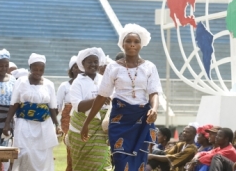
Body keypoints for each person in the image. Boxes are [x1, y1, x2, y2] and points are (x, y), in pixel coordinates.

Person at [81, 23, 161, 170]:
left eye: (136, 42)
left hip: (143, 118)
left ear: (141, 44)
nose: (132, 45)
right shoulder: (113, 68)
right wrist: (86, 123)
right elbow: (101, 96)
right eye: (128, 41)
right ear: (122, 44)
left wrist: (154, 109)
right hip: (120, 120)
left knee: (139, 162)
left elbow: (154, 92)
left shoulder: (149, 67)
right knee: (120, 160)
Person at [3, 53, 60, 171]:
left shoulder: (49, 84)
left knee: (43, 155)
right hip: (24, 123)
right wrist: (7, 123)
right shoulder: (21, 82)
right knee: (25, 152)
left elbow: (52, 107)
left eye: (41, 69)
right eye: (35, 69)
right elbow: (14, 104)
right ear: (30, 68)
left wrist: (57, 125)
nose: (38, 72)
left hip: (44, 125)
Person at [68, 48, 111, 171]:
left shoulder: (104, 80)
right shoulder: (77, 83)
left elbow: (111, 100)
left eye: (95, 61)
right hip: (80, 128)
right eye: (89, 62)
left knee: (102, 163)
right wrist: (99, 99)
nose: (93, 64)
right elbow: (79, 107)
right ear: (83, 64)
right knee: (82, 165)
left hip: (100, 129)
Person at [56, 55, 80, 171]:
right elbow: (58, 106)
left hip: (82, 118)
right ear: (71, 69)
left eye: (80, 67)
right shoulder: (64, 86)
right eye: (75, 67)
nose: (78, 69)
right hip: (68, 120)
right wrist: (57, 125)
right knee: (70, 148)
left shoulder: (86, 84)